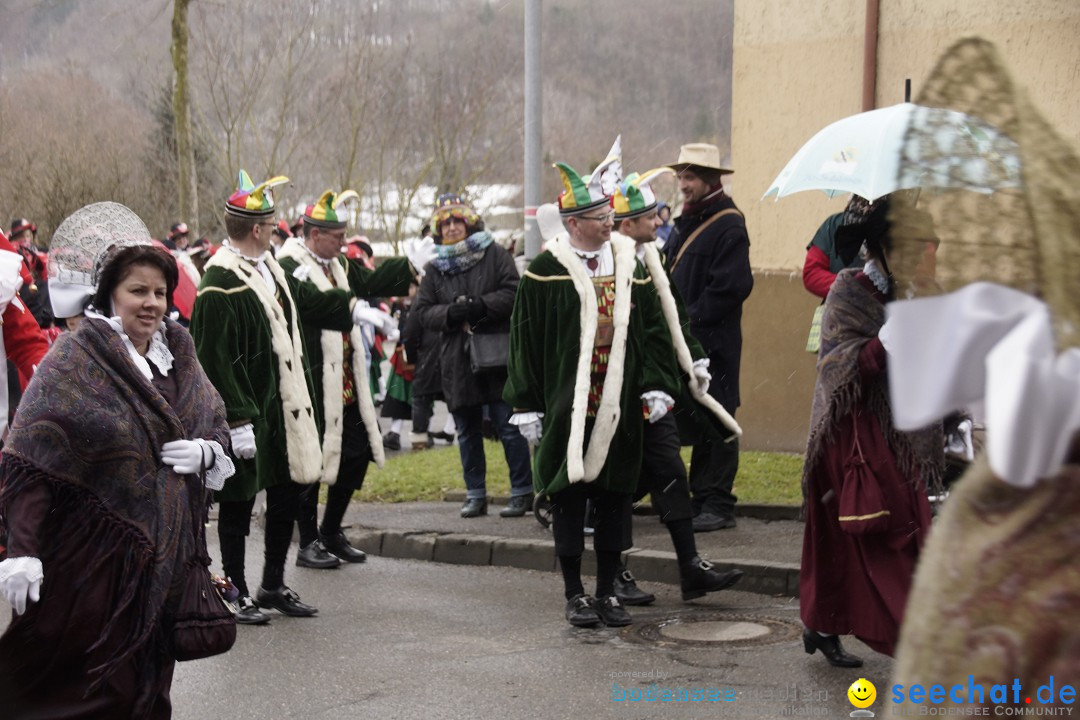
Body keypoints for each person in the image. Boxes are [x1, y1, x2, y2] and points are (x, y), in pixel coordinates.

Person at [0, 202, 235, 718]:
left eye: (158, 292)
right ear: (110, 295)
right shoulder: (76, 356)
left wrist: (207, 452)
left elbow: (214, 422)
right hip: (93, 562)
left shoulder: (179, 348)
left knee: (151, 684)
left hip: (166, 556)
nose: (150, 303)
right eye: (137, 291)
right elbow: (30, 459)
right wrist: (22, 549)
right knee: (97, 688)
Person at [190, 171, 373, 623]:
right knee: (238, 504)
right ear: (256, 229)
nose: (276, 232)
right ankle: (235, 591)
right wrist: (236, 419)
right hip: (249, 415)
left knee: (286, 497)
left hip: (285, 410)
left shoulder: (271, 268)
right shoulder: (218, 282)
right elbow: (211, 358)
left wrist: (356, 308)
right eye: (271, 226)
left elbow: (305, 311)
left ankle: (273, 584)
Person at [504, 156, 679, 628]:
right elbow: (524, 339)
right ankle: (574, 593)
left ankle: (607, 592)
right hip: (568, 407)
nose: (610, 225)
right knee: (569, 500)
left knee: (615, 501)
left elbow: (652, 330)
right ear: (574, 223)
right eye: (601, 219)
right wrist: (525, 403)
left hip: (619, 407)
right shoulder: (544, 271)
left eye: (610, 218)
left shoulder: (627, 264)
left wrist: (659, 384)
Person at [799, 196, 941, 667]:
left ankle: (822, 623)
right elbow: (840, 365)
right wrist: (885, 341)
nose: (926, 255)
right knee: (886, 534)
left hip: (903, 431)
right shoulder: (849, 290)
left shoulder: (919, 292)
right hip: (853, 433)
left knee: (892, 530)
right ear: (885, 248)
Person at [608, 169, 745, 605]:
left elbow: (674, 314)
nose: (658, 221)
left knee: (668, 471)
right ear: (627, 224)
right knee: (618, 484)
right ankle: (614, 572)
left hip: (658, 388)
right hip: (619, 391)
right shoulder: (609, 264)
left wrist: (694, 355)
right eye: (649, 217)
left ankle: (690, 567)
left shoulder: (653, 256)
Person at [276, 189, 422, 568]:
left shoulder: (336, 263)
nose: (344, 241)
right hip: (311, 379)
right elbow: (306, 300)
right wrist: (354, 308)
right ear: (313, 234)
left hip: (345, 377)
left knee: (355, 454)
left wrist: (414, 263)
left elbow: (369, 280)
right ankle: (308, 541)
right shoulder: (290, 264)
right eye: (337, 235)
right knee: (310, 460)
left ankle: (331, 531)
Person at [413, 193, 533, 519]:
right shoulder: (434, 268)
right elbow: (423, 313)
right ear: (438, 229)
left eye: (457, 220)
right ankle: (475, 494)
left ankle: (523, 492)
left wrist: (481, 307)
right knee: (466, 431)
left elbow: (513, 293)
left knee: (509, 426)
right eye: (445, 222)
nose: (452, 226)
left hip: (496, 353)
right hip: (457, 358)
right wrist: (451, 313)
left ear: (470, 221)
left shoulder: (495, 254)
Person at [664, 143, 753, 533]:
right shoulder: (686, 221)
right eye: (681, 176)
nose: (684, 184)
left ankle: (716, 502)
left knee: (717, 415)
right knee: (688, 414)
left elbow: (730, 288)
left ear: (711, 180)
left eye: (691, 177)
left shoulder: (730, 223)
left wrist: (690, 323)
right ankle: (692, 496)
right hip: (683, 340)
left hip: (712, 342)